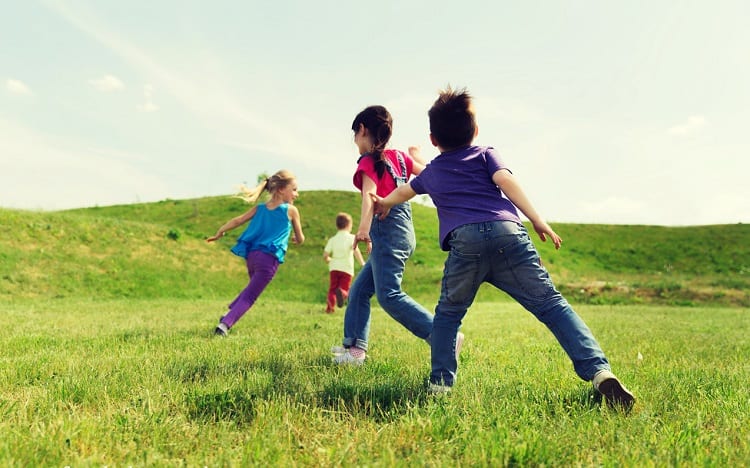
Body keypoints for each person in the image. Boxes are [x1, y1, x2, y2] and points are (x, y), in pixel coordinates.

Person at [373, 87, 634, 409]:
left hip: (464, 243)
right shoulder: (485, 153)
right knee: (552, 306)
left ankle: (441, 386)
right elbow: (507, 182)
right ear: (476, 131)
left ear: (433, 139)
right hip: (508, 234)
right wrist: (537, 220)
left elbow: (404, 192)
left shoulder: (432, 172)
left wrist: (383, 203)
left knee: (448, 317)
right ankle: (599, 372)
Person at [332, 105, 463, 365]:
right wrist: (418, 156)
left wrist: (362, 230)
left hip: (386, 231)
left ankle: (444, 337)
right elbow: (429, 175)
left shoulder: (369, 161)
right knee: (359, 291)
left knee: (389, 294)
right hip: (404, 232)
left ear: (362, 130)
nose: (356, 143)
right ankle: (355, 351)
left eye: (355, 137)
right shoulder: (401, 158)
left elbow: (370, 198)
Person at [207, 169, 305, 336]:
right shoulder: (291, 211)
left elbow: (238, 220)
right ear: (281, 190)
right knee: (251, 296)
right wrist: (297, 239)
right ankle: (224, 325)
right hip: (269, 260)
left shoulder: (260, 208)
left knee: (251, 288)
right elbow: (301, 238)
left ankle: (229, 312)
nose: (297, 194)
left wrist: (220, 232)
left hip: (252, 256)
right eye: (294, 189)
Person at [323, 212, 365, 313]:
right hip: (346, 268)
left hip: (334, 267)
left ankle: (330, 308)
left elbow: (325, 255)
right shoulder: (351, 238)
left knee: (332, 289)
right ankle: (342, 293)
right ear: (348, 225)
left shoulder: (333, 239)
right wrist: (362, 263)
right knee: (345, 288)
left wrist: (329, 260)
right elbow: (355, 250)